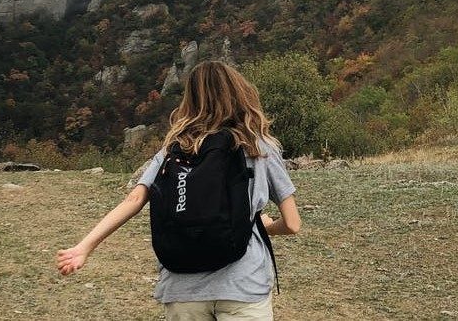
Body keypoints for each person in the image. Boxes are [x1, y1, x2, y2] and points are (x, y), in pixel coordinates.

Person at [56, 60, 301, 321]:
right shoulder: (258, 145)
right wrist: (268, 226)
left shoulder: (176, 147)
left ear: (190, 100)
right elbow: (293, 224)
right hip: (243, 286)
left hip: (182, 289)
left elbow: (134, 199)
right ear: (239, 92)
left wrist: (84, 247)